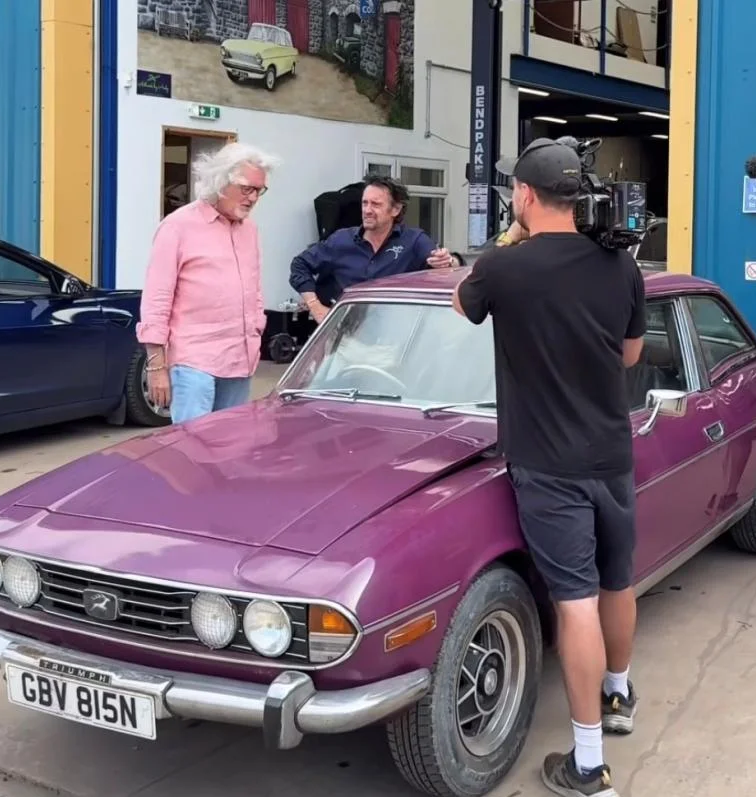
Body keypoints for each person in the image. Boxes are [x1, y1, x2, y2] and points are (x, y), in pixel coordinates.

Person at [451, 137, 646, 797]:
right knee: (617, 579)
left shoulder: (507, 268)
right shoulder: (620, 264)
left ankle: (588, 765)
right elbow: (629, 355)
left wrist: (508, 237)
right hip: (611, 452)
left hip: (548, 463)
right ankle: (619, 697)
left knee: (576, 600)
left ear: (526, 196)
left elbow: (461, 303)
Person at [136, 141, 279, 424]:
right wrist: (156, 367)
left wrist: (256, 326)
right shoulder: (177, 226)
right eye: (246, 188)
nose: (253, 198)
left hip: (240, 359)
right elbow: (157, 299)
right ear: (220, 181)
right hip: (194, 362)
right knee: (192, 452)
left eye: (259, 190)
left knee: (230, 448)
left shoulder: (249, 230)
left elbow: (254, 288)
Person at [289, 174, 456, 323]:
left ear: (395, 209)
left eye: (376, 204)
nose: (367, 210)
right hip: (344, 336)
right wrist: (315, 306)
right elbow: (299, 265)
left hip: (394, 339)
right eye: (364, 203)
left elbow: (448, 269)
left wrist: (447, 261)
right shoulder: (341, 240)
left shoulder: (414, 241)